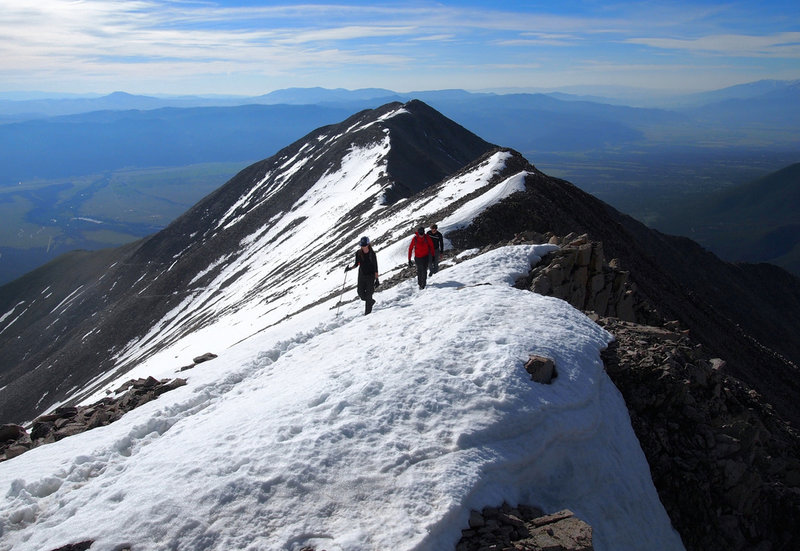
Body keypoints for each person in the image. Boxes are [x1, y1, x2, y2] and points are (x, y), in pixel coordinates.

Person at [345, 236, 379, 315]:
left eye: (365, 245)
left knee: (368, 295)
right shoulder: (358, 253)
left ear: (368, 244)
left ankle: (367, 314)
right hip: (361, 276)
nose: (363, 247)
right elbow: (357, 264)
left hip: (370, 277)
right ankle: (371, 301)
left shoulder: (372, 254)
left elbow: (375, 267)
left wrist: (376, 279)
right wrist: (349, 268)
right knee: (361, 293)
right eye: (362, 246)